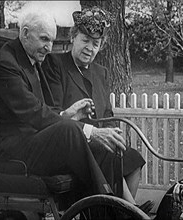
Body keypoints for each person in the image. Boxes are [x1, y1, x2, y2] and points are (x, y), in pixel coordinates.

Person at [0, 7, 126, 201]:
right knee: (71, 131)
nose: (49, 48)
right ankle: (107, 201)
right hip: (13, 153)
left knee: (103, 147)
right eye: (44, 39)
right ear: (25, 33)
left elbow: (41, 110)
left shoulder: (31, 58)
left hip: (33, 142)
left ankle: (109, 207)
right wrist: (90, 132)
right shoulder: (6, 64)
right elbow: (33, 113)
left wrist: (66, 115)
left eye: (51, 40)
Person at [41, 6, 154, 213]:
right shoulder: (55, 64)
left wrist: (113, 134)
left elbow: (108, 115)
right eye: (85, 40)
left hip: (99, 146)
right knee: (107, 153)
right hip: (70, 145)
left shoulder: (101, 72)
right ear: (73, 37)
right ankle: (132, 210)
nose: (90, 48)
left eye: (96, 44)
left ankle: (119, 212)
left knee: (133, 158)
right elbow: (55, 111)